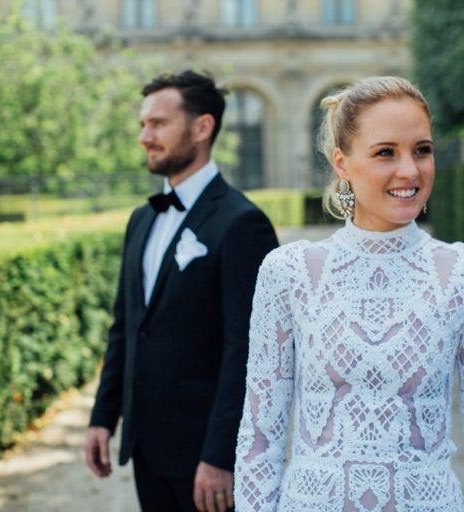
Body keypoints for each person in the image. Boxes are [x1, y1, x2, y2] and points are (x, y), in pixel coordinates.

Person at [234, 76, 464, 511]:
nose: (410, 170)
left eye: (422, 150)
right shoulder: (288, 272)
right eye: (386, 152)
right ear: (342, 164)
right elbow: (259, 437)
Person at [84, 69, 279, 512]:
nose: (144, 137)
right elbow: (126, 327)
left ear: (202, 127)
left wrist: (221, 456)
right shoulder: (141, 219)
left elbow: (249, 352)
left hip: (205, 458)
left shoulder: (242, 223)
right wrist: (103, 417)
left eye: (158, 124)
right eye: (143, 124)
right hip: (146, 447)